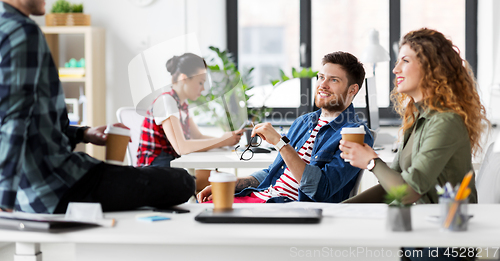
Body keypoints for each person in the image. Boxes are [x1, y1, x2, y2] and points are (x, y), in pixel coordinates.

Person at [0, 0, 194, 214]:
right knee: (182, 181)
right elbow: (13, 121)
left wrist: (85, 133)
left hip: (33, 190)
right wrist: (3, 205)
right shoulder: (23, 33)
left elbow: (33, 124)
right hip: (58, 186)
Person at [340, 29, 488, 260]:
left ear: (431, 68)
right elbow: (395, 183)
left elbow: (407, 192)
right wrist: (340, 209)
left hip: (446, 245)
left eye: (405, 61)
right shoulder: (416, 118)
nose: (395, 69)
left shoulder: (445, 121)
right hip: (419, 237)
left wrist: (370, 162)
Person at [197, 51, 374, 204]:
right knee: (205, 206)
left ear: (352, 90)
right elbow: (273, 173)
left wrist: (280, 143)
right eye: (321, 77)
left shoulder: (356, 134)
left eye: (333, 80)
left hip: (290, 207)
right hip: (266, 196)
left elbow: (321, 190)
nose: (323, 84)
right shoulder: (304, 122)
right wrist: (231, 184)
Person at [136, 52, 243, 168]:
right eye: (200, 82)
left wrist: (227, 140)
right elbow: (181, 147)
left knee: (207, 173)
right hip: (153, 169)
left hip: (170, 164)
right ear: (184, 78)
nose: (203, 89)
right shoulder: (166, 101)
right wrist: (222, 141)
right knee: (205, 176)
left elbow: (198, 137)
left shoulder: (183, 104)